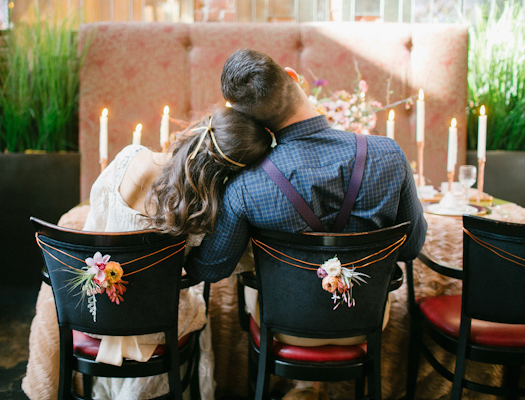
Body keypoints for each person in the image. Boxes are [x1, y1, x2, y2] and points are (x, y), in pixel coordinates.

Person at [183, 49, 428, 396]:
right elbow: (413, 246)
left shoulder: (245, 187)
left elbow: (211, 268)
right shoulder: (388, 154)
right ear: (292, 76)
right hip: (364, 321)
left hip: (285, 327)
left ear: (246, 119)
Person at [22, 106, 272, 400]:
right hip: (156, 328)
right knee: (198, 306)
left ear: (201, 129)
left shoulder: (126, 158)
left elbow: (91, 234)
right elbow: (202, 269)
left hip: (94, 315)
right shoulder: (198, 210)